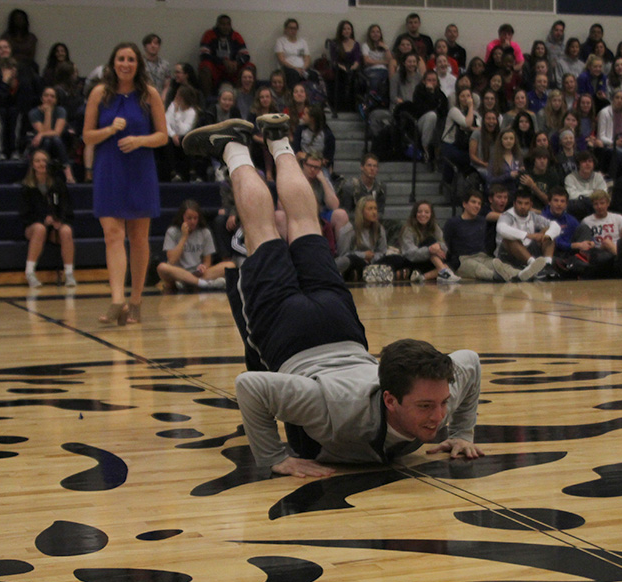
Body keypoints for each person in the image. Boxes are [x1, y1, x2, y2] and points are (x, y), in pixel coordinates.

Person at [180, 113, 484, 475]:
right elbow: (250, 386)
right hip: (290, 334)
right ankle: (232, 145)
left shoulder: (435, 388)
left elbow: (470, 362)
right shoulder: (331, 408)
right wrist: (274, 457)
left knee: (302, 226)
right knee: (264, 231)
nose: (438, 417)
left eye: (441, 404)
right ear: (389, 399)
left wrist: (463, 432)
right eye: (424, 407)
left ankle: (278, 139)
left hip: (341, 327)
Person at [83, 42, 167, 326]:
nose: (126, 63)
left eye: (131, 59)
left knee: (139, 237)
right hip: (108, 168)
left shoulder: (149, 94)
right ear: (113, 62)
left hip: (140, 169)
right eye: (121, 58)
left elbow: (163, 136)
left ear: (138, 64)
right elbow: (87, 137)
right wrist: (109, 130)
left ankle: (136, 301)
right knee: (112, 234)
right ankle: (117, 300)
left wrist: (140, 140)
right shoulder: (99, 93)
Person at [20, 148, 76, 288]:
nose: (41, 164)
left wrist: (59, 220)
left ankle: (69, 274)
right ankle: (30, 272)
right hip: (34, 226)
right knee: (39, 229)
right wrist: (42, 219)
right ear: (32, 164)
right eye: (37, 161)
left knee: (66, 231)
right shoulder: (27, 187)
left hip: (54, 226)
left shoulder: (57, 184)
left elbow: (66, 206)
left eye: (44, 160)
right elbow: (25, 213)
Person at [443, 191, 522, 282]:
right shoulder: (453, 222)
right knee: (478, 268)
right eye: (473, 202)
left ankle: (521, 274)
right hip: (463, 259)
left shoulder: (482, 221)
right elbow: (446, 242)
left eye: (479, 203)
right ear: (465, 204)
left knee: (500, 265)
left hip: (483, 256)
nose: (477, 206)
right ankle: (497, 276)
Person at [157, 199, 234, 291]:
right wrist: (184, 237)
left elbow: (207, 261)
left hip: (197, 272)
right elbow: (172, 260)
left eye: (195, 218)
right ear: (182, 218)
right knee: (162, 267)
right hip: (179, 272)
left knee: (230, 265)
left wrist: (204, 267)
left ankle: (189, 283)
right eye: (189, 218)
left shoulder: (205, 232)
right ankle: (202, 283)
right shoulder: (172, 232)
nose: (192, 221)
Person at [495, 188, 559, 277]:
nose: (523, 206)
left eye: (526, 203)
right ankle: (534, 265)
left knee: (549, 232)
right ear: (514, 204)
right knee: (509, 238)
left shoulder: (533, 216)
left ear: (531, 205)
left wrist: (548, 235)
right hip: (508, 254)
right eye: (520, 203)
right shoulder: (507, 215)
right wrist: (529, 236)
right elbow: (501, 229)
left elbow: (555, 225)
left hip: (528, 250)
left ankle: (547, 265)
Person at [397, 200, 461, 284]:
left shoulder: (435, 227)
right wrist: (429, 250)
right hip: (413, 262)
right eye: (420, 212)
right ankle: (443, 271)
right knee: (430, 241)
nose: (423, 214)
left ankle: (424, 277)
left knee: (455, 260)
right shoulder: (408, 229)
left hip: (430, 263)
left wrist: (438, 246)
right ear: (415, 214)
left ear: (431, 215)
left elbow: (444, 247)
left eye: (426, 212)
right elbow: (410, 253)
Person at [334, 195, 388, 280]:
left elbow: (383, 252)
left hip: (373, 262)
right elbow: (343, 255)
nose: (374, 212)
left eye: (375, 208)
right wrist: (363, 255)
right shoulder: (349, 229)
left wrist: (372, 257)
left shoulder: (379, 229)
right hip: (355, 261)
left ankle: (362, 274)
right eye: (370, 209)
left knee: (395, 259)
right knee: (350, 260)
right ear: (361, 212)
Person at [29, 87, 74, 183]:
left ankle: (68, 173)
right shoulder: (34, 113)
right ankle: (42, 174)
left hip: (58, 144)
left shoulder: (61, 110)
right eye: (46, 96)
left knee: (55, 139)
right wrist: (48, 113)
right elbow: (45, 132)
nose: (49, 98)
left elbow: (57, 132)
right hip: (40, 145)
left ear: (56, 100)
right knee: (47, 140)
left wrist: (41, 134)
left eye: (52, 96)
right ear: (41, 98)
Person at [198, 15, 251, 97]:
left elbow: (246, 55)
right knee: (204, 67)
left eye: (228, 24)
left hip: (233, 69)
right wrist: (223, 61)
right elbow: (204, 55)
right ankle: (207, 100)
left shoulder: (236, 35)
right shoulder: (209, 35)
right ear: (217, 24)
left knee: (250, 67)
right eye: (223, 24)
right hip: (216, 68)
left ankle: (245, 97)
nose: (226, 27)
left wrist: (237, 63)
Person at [162, 84, 201, 182]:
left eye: (178, 96)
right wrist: (173, 134)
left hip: (184, 139)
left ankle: (192, 173)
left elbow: (184, 130)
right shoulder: (172, 106)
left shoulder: (192, 112)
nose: (176, 98)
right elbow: (165, 123)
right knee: (167, 141)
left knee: (187, 139)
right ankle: (173, 173)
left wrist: (176, 114)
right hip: (173, 138)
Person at [329, 20, 361, 113]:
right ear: (340, 31)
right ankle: (340, 106)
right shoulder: (334, 43)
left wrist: (353, 67)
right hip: (339, 67)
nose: (346, 31)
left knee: (353, 76)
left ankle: (352, 106)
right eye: (344, 29)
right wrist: (342, 67)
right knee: (342, 75)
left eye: (348, 29)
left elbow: (357, 60)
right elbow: (334, 59)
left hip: (352, 67)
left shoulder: (356, 44)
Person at [275, 19, 311, 89]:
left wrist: (303, 68)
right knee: (294, 74)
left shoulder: (302, 42)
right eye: (290, 28)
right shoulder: (280, 41)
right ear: (285, 29)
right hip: (288, 68)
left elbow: (307, 58)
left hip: (302, 68)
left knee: (313, 74)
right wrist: (296, 69)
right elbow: (281, 59)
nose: (293, 30)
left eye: (295, 28)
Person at [362, 24, 391, 95]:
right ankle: (373, 99)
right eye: (373, 32)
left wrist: (386, 48)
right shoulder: (366, 45)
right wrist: (383, 62)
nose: (375, 34)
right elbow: (367, 61)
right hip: (370, 70)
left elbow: (390, 61)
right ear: (369, 34)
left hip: (384, 70)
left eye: (377, 32)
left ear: (380, 34)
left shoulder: (384, 46)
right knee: (374, 79)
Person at [142, 34, 171, 104]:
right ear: (145, 47)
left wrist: (163, 97)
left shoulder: (165, 65)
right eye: (149, 43)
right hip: (143, 99)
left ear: (159, 46)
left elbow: (167, 84)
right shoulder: (139, 64)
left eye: (156, 43)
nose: (153, 46)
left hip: (160, 99)